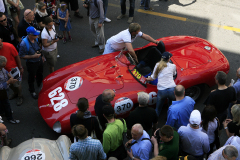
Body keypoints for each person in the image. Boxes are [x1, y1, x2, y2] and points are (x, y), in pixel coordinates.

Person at [146, 52, 176, 117]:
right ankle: (169, 119)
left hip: (162, 90)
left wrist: (145, 79)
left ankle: (154, 124)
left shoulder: (157, 65)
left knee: (158, 109)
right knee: (171, 107)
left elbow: (152, 78)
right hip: (171, 89)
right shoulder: (173, 66)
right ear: (168, 59)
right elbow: (174, 74)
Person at [19, 26, 43, 99]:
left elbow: (39, 48)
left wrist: (41, 56)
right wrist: (33, 56)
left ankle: (40, 86)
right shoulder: (23, 44)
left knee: (40, 74)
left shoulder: (36, 39)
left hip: (39, 61)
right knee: (31, 77)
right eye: (35, 34)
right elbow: (21, 56)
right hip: (31, 63)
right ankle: (32, 91)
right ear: (30, 35)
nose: (37, 35)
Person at [0, 39, 23, 106]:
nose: (0, 46)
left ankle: (20, 96)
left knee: (17, 84)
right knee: (9, 85)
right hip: (2, 71)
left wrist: (20, 67)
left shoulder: (9, 46)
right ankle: (15, 93)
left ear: (1, 41)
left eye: (0, 44)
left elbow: (17, 57)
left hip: (13, 69)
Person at [0, 56, 20, 124]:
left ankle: (3, 112)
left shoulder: (2, 68)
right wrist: (8, 82)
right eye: (3, 65)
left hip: (5, 89)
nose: (4, 66)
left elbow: (5, 71)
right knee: (6, 104)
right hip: (2, 91)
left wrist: (10, 75)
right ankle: (10, 118)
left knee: (2, 103)